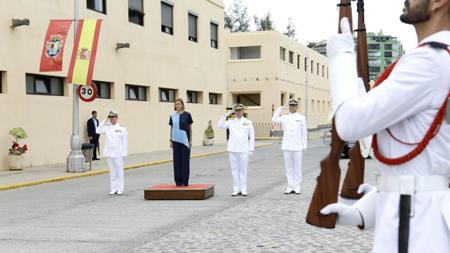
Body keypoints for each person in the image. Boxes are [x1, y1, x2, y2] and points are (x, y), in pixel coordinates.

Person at [320, 1, 450, 252]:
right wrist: (365, 210)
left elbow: (348, 123)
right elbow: (427, 165)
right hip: (417, 217)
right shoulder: (439, 57)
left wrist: (341, 56)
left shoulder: (430, 60)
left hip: (416, 227)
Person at [218, 104, 255, 196]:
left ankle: (243, 189)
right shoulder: (230, 122)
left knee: (243, 170)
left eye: (240, 110)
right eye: (236, 111)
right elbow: (220, 125)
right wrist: (228, 113)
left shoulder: (248, 122)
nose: (238, 112)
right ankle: (236, 189)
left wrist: (251, 149)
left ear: (243, 111)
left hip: (243, 150)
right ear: (234, 112)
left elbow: (252, 137)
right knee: (234, 170)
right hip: (233, 149)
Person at [272, 99, 307, 194]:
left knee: (297, 167)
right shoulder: (284, 117)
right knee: (289, 167)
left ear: (297, 107)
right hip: (286, 146)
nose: (292, 107)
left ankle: (297, 186)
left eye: (294, 105)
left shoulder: (301, 117)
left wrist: (304, 144)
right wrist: (280, 108)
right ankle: (290, 186)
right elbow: (274, 119)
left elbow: (304, 132)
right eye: (290, 105)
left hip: (297, 146)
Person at [96, 111, 128, 195]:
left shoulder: (122, 128)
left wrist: (124, 153)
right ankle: (113, 189)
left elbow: (124, 142)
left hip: (118, 153)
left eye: (113, 117)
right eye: (110, 118)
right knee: (112, 171)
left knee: (119, 171)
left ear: (117, 118)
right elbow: (97, 130)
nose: (111, 119)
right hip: (109, 153)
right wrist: (104, 120)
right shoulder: (107, 128)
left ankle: (120, 188)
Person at [169, 98, 193, 187]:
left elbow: (190, 128)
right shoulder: (172, 116)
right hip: (175, 140)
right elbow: (171, 128)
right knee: (177, 161)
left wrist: (190, 140)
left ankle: (185, 181)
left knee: (185, 161)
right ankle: (178, 181)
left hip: (185, 140)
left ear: (182, 105)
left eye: (179, 104)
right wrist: (170, 140)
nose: (177, 105)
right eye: (176, 104)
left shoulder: (187, 115)